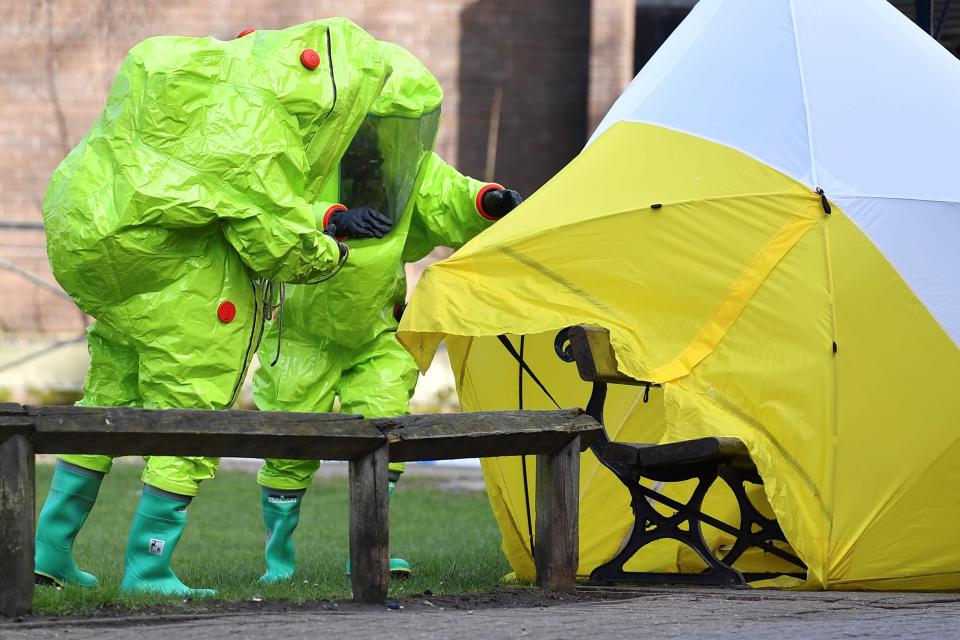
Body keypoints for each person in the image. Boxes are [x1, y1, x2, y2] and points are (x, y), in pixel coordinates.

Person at [33, 19, 416, 596]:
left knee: (106, 401)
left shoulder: (207, 81)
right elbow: (271, 239)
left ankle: (48, 550)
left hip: (110, 262)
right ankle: (149, 566)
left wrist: (324, 216)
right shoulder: (265, 128)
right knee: (189, 415)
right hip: (182, 283)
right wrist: (333, 253)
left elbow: (220, 194)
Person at [250, 38, 522, 582]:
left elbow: (443, 193)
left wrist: (488, 201)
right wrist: (333, 219)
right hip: (305, 332)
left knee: (383, 432)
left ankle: (368, 551)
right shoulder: (310, 157)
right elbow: (275, 207)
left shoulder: (406, 168)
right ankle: (277, 562)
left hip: (376, 328)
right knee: (290, 442)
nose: (377, 144)